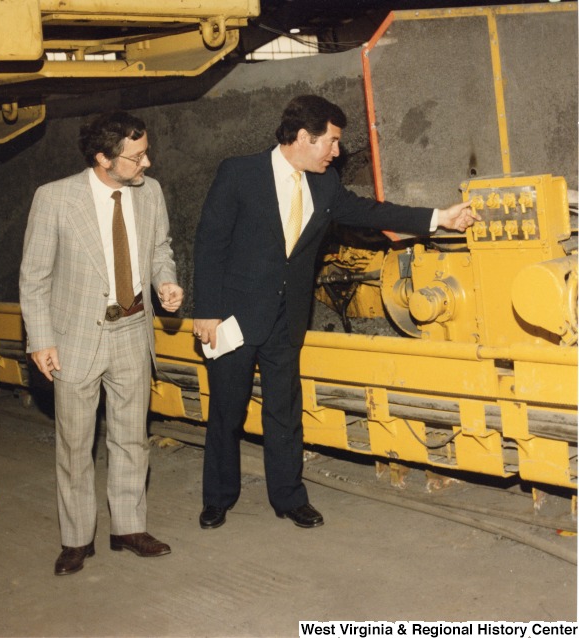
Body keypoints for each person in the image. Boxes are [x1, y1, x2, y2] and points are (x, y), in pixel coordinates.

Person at [192, 94, 478, 530]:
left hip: (287, 319)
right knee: (227, 411)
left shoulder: (324, 185)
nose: (337, 151)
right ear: (304, 138)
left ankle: (289, 498)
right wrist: (207, 311)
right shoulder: (239, 173)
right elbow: (210, 243)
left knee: (284, 413)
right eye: (332, 141)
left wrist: (439, 217)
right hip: (234, 317)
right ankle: (218, 498)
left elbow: (371, 211)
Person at [19, 111, 183, 576]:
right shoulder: (54, 199)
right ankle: (76, 539)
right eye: (136, 157)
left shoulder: (149, 193)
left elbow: (159, 250)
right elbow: (34, 277)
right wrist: (41, 339)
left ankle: (129, 527)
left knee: (132, 439)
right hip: (75, 339)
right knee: (75, 445)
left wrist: (165, 283)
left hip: (133, 333)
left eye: (146, 151)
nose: (147, 162)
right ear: (103, 159)